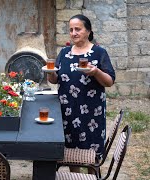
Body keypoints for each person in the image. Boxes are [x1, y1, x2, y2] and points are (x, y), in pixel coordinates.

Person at [47, 14, 115, 173]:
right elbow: (55, 80)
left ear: (88, 31)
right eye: (70, 29)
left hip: (92, 114)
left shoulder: (99, 53)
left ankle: (92, 176)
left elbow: (109, 81)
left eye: (78, 29)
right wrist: (50, 73)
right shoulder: (64, 53)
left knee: (92, 155)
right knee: (71, 151)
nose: (73, 33)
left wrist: (96, 72)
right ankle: (75, 176)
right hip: (67, 111)